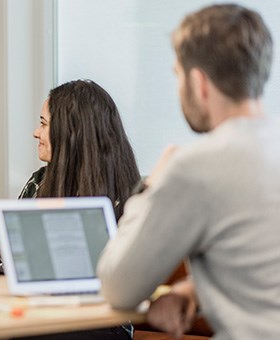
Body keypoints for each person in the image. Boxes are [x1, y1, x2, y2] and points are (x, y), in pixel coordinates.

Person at [97, 4, 280, 339]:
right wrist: (194, 290)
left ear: (199, 83)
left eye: (177, 74)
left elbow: (117, 286)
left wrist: (150, 189)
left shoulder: (196, 168)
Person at [0, 79, 140, 340]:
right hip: (41, 311)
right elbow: (6, 255)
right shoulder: (39, 182)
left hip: (103, 322)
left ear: (71, 133)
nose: (35, 132)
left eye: (43, 124)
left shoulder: (129, 198)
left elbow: (125, 278)